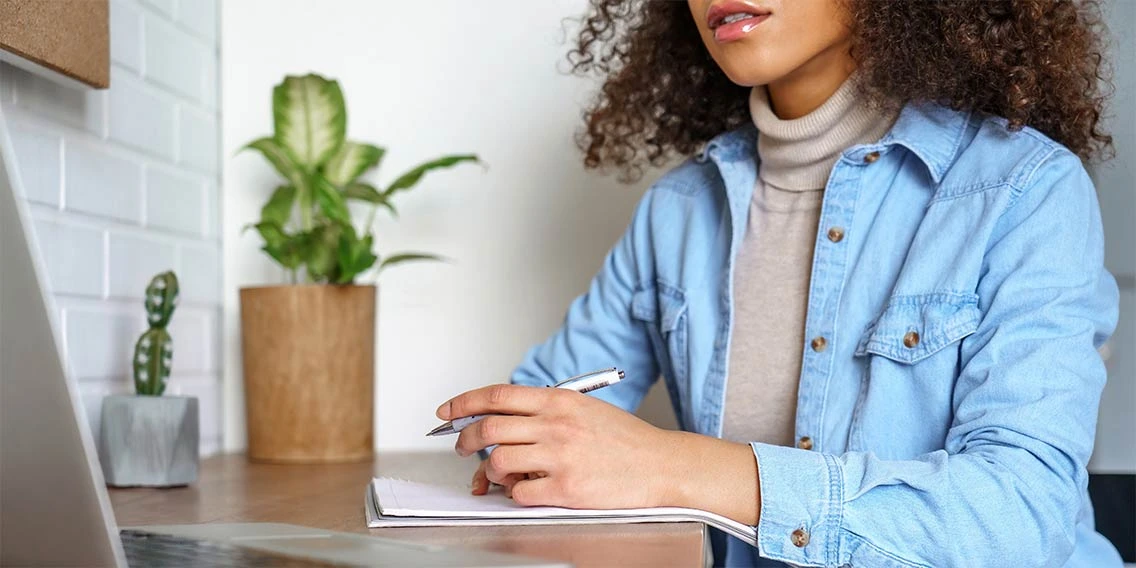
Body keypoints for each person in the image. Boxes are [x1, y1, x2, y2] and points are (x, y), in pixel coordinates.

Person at [434, 0, 1120, 565]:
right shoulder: (680, 209)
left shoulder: (1022, 190)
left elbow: (1024, 515)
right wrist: (520, 444)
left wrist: (678, 466)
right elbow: (531, 416)